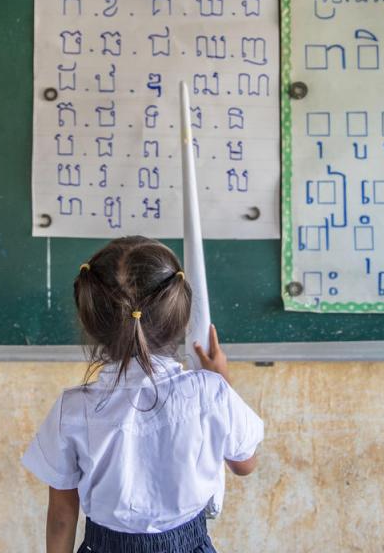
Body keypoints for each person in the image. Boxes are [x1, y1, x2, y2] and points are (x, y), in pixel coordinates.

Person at [22, 236, 264, 553]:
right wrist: (221, 376)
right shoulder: (210, 392)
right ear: (181, 315)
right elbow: (245, 464)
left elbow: (62, 515)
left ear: (90, 321)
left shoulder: (73, 410)